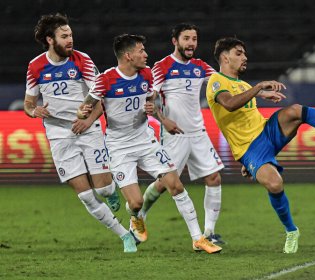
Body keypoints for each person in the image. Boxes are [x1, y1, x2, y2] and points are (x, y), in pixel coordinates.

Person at [206, 37, 315, 254]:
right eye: (239, 53)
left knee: (295, 111)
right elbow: (229, 103)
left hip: (267, 131)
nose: (245, 57)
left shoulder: (242, 84)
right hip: (250, 149)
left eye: (244, 53)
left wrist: (263, 93)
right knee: (275, 184)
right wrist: (259, 89)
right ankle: (292, 231)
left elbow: (243, 94)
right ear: (225, 57)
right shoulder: (217, 81)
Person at [77, 34, 222, 254]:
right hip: (119, 148)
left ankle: (197, 238)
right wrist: (83, 114)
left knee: (176, 185)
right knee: (135, 203)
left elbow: (149, 103)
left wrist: (161, 118)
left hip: (146, 141)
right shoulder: (106, 80)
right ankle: (136, 218)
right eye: (141, 50)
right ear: (128, 55)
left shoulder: (145, 74)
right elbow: (87, 106)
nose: (146, 54)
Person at [23, 14, 137, 253]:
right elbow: (28, 103)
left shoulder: (82, 60)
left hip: (88, 129)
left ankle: (111, 190)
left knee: (104, 189)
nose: (70, 39)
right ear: (50, 40)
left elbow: (100, 95)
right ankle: (125, 235)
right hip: (58, 134)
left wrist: (87, 121)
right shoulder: (35, 66)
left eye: (71, 35)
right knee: (85, 196)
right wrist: (35, 111)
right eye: (64, 36)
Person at [141, 23, 225, 244]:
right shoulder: (162, 66)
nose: (191, 43)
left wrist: (257, 90)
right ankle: (140, 213)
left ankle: (209, 233)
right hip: (174, 134)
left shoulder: (201, 67)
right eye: (186, 38)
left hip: (198, 133)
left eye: (194, 39)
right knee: (164, 184)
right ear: (175, 41)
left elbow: (224, 84)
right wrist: (163, 120)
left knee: (214, 177)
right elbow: (149, 99)